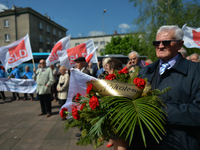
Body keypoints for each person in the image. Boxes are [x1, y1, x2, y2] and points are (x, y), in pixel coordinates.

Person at [128, 25, 200, 150]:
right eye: (157, 43)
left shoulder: (195, 71)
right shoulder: (145, 72)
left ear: (179, 44)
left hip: (179, 144)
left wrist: (160, 109)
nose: (160, 46)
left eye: (166, 42)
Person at [105, 58, 127, 150]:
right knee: (117, 142)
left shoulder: (117, 82)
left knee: (120, 142)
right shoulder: (123, 79)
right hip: (117, 117)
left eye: (108, 69)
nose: (106, 71)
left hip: (120, 118)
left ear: (113, 70)